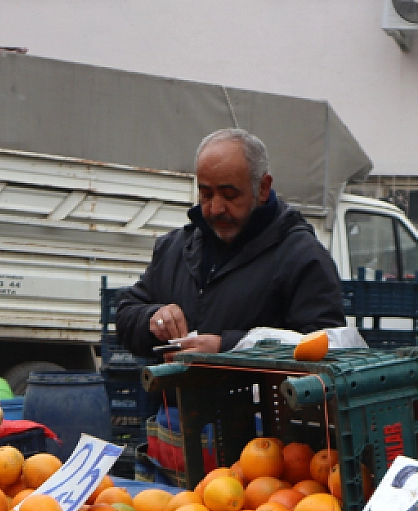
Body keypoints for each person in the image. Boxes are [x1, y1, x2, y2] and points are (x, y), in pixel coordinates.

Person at [114, 128, 345, 358]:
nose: (216, 208)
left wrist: (227, 349)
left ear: (263, 188)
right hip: (176, 395)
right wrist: (153, 318)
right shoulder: (173, 248)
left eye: (229, 195)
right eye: (206, 194)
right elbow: (126, 315)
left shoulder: (303, 257)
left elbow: (326, 350)